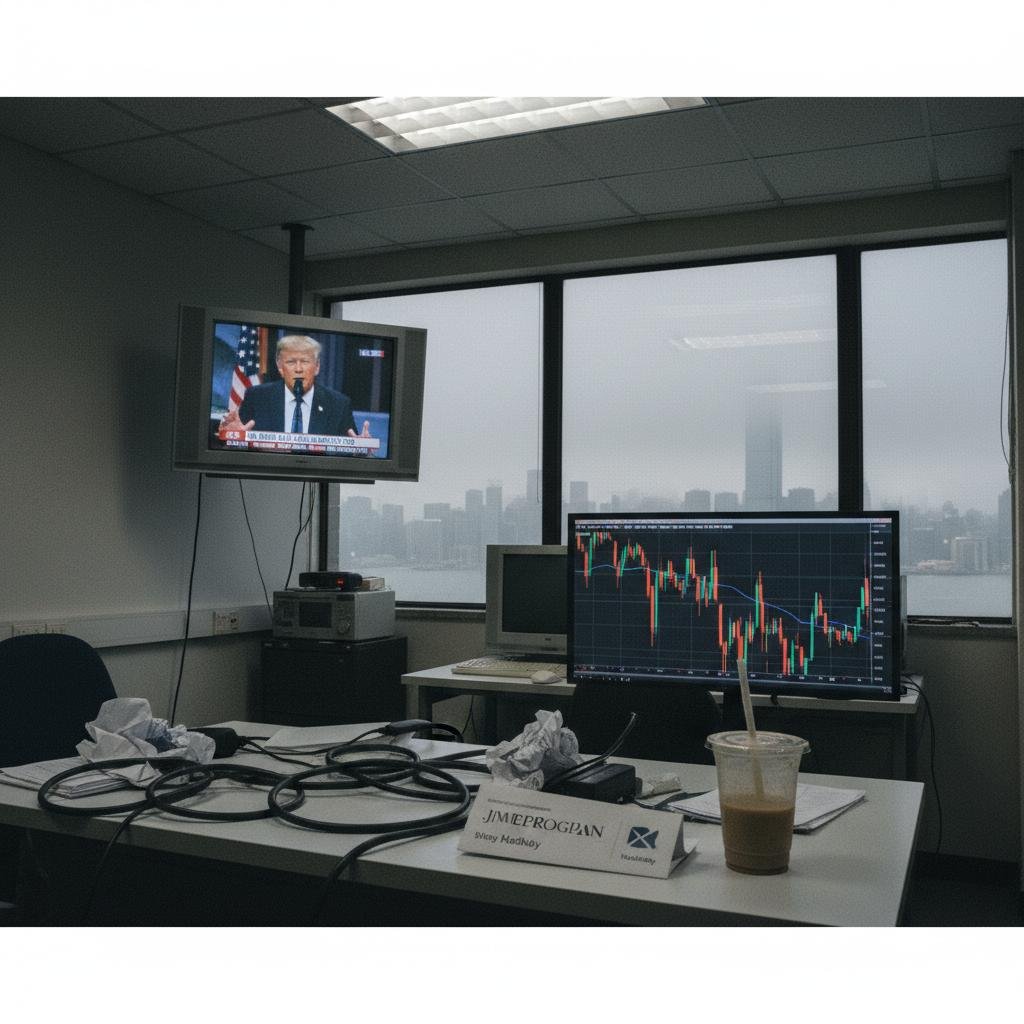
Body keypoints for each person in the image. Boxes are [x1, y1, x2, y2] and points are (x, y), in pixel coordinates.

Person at [220, 335, 371, 439]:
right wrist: (232, 436)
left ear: (317, 367)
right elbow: (238, 446)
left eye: (305, 362)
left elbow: (350, 453)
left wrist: (361, 448)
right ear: (280, 367)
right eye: (291, 362)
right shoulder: (257, 397)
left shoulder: (338, 404)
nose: (298, 369)